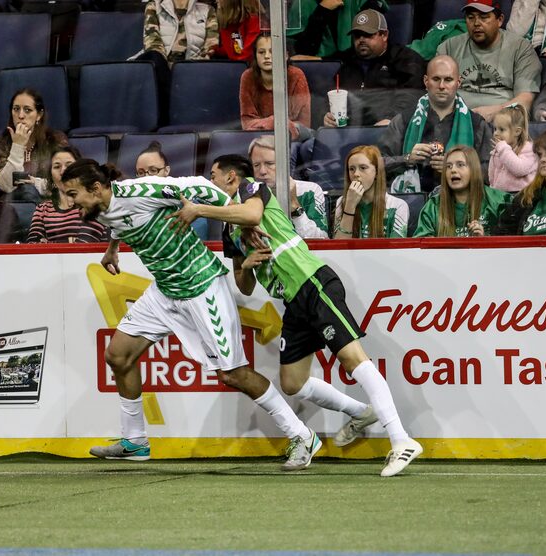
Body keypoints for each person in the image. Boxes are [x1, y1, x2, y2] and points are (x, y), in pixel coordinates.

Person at [171, 153, 423, 477]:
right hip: (292, 301)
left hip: (313, 282)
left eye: (214, 175)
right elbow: (244, 286)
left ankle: (401, 440)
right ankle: (361, 412)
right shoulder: (228, 231)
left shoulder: (253, 190)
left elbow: (251, 214)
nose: (210, 182)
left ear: (232, 177)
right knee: (292, 383)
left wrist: (198, 209)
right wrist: (246, 266)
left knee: (352, 359)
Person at [61, 159, 322, 471]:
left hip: (202, 286)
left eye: (73, 195)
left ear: (95, 188)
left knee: (233, 374)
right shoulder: (100, 206)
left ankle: (303, 436)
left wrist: (243, 223)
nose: (68, 203)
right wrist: (112, 248)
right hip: (165, 290)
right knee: (118, 356)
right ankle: (135, 441)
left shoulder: (141, 190)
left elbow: (198, 186)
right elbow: (119, 220)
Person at [378, 55, 493, 193]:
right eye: (436, 79)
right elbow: (377, 163)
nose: (442, 86)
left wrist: (455, 168)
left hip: (461, 204)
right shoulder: (404, 120)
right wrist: (407, 159)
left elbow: (492, 172)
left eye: (448, 80)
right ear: (426, 81)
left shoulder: (477, 124)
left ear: (458, 82)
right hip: (411, 204)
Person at [436, 0, 542, 122]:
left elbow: (525, 100)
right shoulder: (449, 47)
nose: (476, 23)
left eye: (484, 17)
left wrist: (499, 111)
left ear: (500, 20)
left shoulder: (521, 49)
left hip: (503, 124)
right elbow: (436, 93)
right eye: (471, 18)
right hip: (455, 121)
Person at [319, 9, 426, 127]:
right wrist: (326, 116)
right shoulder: (347, 63)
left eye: (368, 35)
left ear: (384, 35)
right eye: (357, 35)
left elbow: (411, 96)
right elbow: (331, 97)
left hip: (389, 130)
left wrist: (392, 119)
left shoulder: (405, 59)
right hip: (349, 131)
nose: (361, 40)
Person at [0, 88, 68, 203]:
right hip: (13, 208)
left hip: (50, 205)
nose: (20, 115)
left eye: (27, 110)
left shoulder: (55, 141)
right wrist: (17, 146)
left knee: (29, 190)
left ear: (39, 115)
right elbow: (6, 186)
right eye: (16, 109)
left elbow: (68, 181)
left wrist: (36, 184)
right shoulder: (2, 144)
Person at [415, 145, 511, 237]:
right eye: (448, 166)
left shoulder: (499, 201)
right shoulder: (433, 207)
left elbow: (513, 241)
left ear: (474, 169)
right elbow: (421, 244)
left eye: (460, 165)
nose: (453, 170)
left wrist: (484, 239)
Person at [248, 135, 328, 238]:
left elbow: (321, 240)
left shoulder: (309, 191)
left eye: (269, 163)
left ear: (284, 163)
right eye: (256, 165)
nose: (262, 171)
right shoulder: (245, 195)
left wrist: (295, 206)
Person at [26, 146, 109, 244]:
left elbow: (83, 244)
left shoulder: (93, 204)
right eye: (57, 167)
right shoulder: (42, 209)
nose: (63, 172)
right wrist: (69, 240)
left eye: (69, 166)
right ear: (50, 175)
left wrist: (48, 243)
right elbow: (32, 247)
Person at [240, 33, 312, 141]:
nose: (267, 56)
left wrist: (269, 123)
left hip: (292, 140)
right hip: (258, 139)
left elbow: (304, 125)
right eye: (261, 52)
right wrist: (275, 122)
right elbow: (247, 123)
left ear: (286, 55)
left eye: (272, 51)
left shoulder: (297, 76)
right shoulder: (247, 77)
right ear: (255, 55)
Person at [134, 141, 211, 240]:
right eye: (141, 173)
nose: (146, 177)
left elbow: (197, 236)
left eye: (153, 171)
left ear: (167, 170)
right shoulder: (130, 203)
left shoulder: (187, 201)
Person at [333, 146, 409, 238]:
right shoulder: (342, 202)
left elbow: (397, 249)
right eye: (351, 169)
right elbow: (339, 248)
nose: (356, 174)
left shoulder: (398, 206)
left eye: (363, 168)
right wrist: (350, 206)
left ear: (376, 172)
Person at [288, 0, 387, 59]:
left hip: (354, 68)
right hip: (319, 72)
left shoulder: (364, 2)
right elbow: (303, 53)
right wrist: (321, 12)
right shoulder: (302, 4)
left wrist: (322, 59)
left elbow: (370, 49)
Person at [489, 104, 538, 192]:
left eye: (502, 129)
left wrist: (503, 149)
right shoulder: (500, 149)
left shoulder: (528, 148)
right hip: (501, 195)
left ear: (517, 131)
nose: (496, 133)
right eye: (495, 129)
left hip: (522, 195)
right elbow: (492, 175)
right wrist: (493, 189)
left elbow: (520, 170)